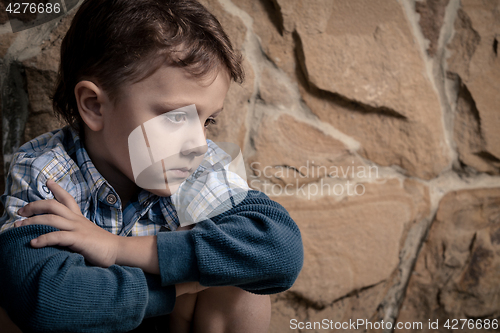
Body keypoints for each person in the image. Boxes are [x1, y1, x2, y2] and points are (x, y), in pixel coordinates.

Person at [0, 0, 304, 332]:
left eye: (208, 121)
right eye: (176, 117)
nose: (198, 144)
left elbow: (280, 249)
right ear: (94, 106)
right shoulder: (47, 173)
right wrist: (179, 288)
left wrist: (119, 248)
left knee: (242, 285)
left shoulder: (192, 166)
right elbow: (50, 302)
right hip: (96, 319)